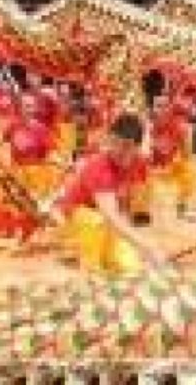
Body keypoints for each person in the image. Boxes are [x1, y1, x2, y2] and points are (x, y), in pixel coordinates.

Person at [46, 114, 164, 275]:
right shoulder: (99, 166)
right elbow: (110, 215)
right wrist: (147, 246)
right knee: (97, 224)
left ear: (137, 147)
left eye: (126, 146)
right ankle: (83, 259)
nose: (117, 150)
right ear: (109, 139)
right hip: (75, 218)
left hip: (106, 219)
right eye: (114, 143)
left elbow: (128, 205)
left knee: (129, 266)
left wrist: (138, 242)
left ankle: (92, 253)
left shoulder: (140, 164)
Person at [148, 90, 196, 220]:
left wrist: (175, 160)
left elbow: (187, 155)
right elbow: (147, 152)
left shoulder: (181, 127)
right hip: (155, 167)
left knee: (190, 175)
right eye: (157, 106)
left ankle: (181, 209)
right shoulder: (149, 126)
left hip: (173, 165)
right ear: (153, 108)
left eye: (164, 106)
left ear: (170, 108)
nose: (160, 109)